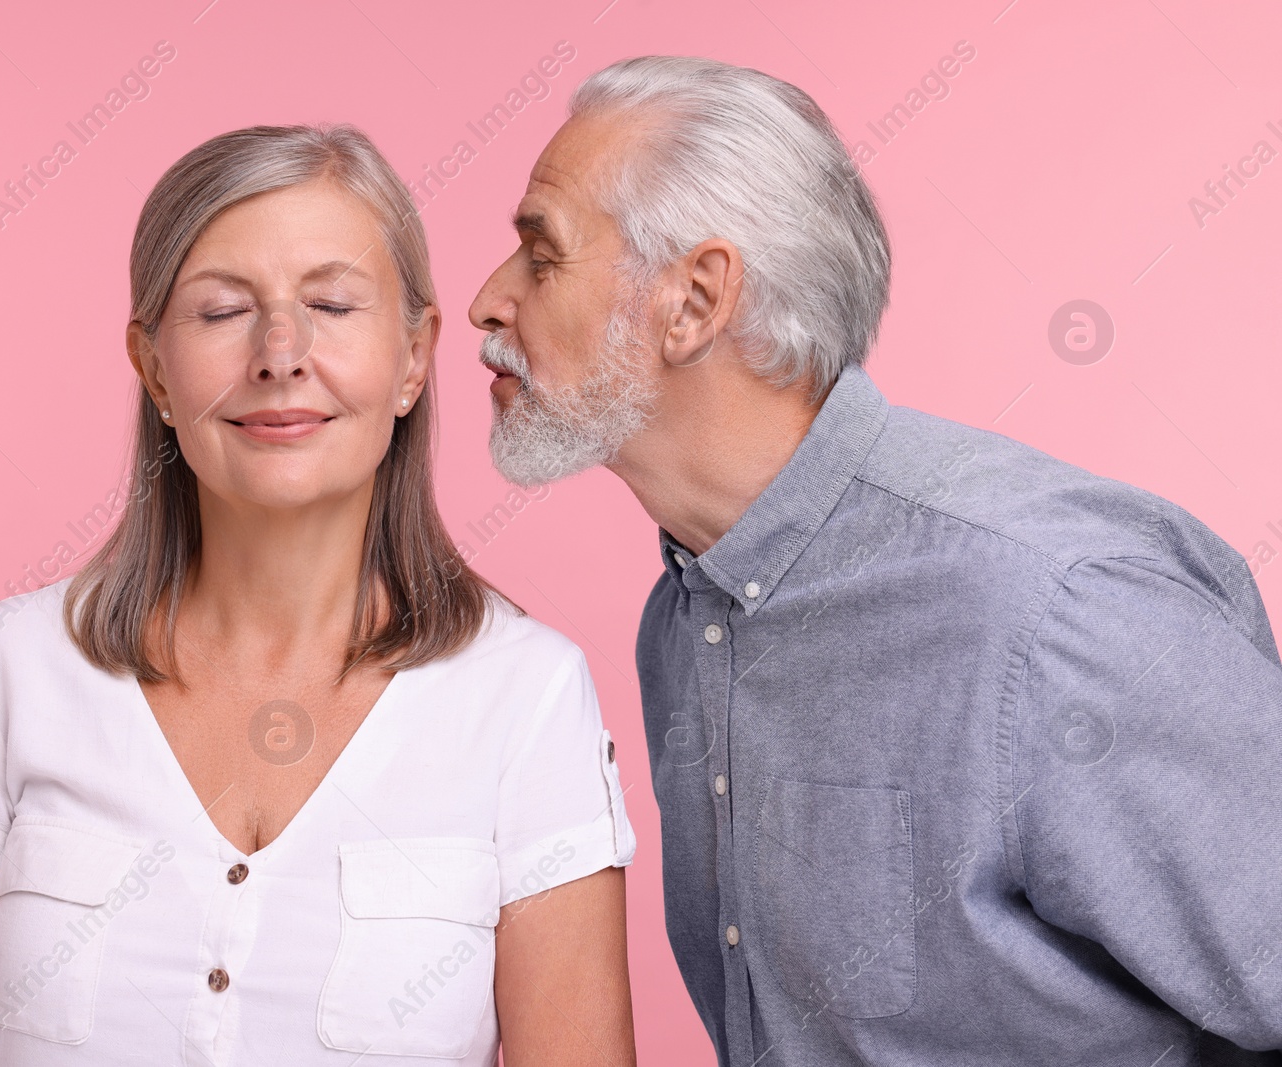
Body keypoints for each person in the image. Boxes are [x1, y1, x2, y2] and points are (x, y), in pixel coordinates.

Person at [468, 54, 1282, 1067]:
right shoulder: (682, 616)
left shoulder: (1056, 607)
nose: (486, 304)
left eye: (540, 256)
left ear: (693, 299)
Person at [0, 124, 638, 1067]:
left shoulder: (527, 697)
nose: (279, 353)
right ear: (153, 368)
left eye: (333, 305)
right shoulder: (7, 670)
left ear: (415, 359)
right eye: (223, 312)